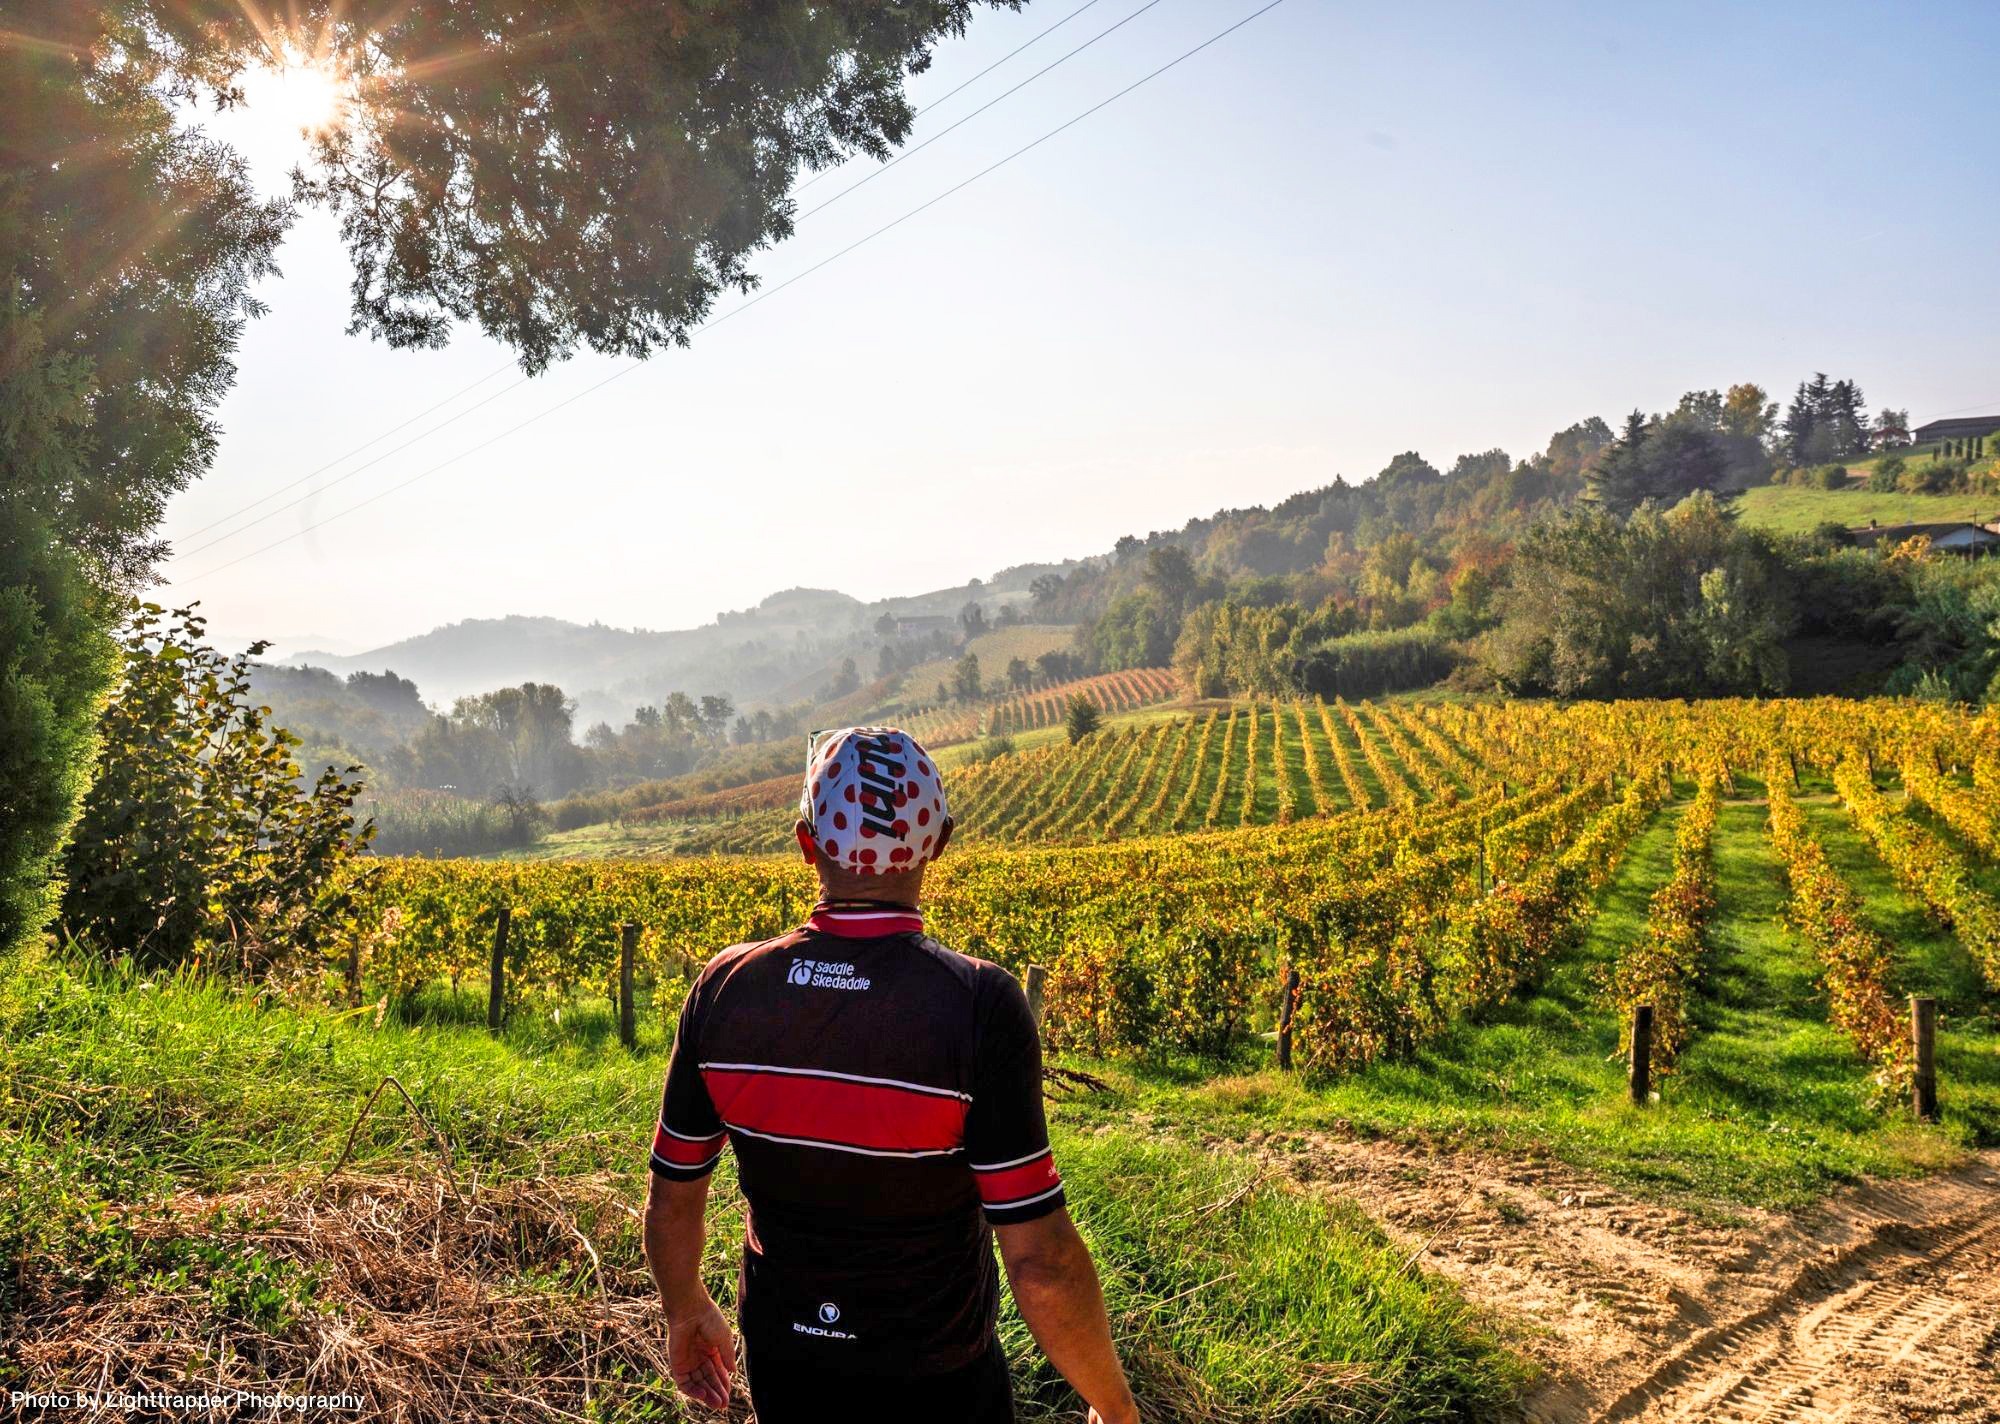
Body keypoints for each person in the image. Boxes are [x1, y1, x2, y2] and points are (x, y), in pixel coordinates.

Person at [642, 726, 1139, 1423]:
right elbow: (1040, 1261)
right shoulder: (977, 1006)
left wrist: (686, 1308)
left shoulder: (726, 990)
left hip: (787, 1362)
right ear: (939, 841)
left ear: (805, 843)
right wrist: (1113, 1403)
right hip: (940, 1380)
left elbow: (672, 1199)